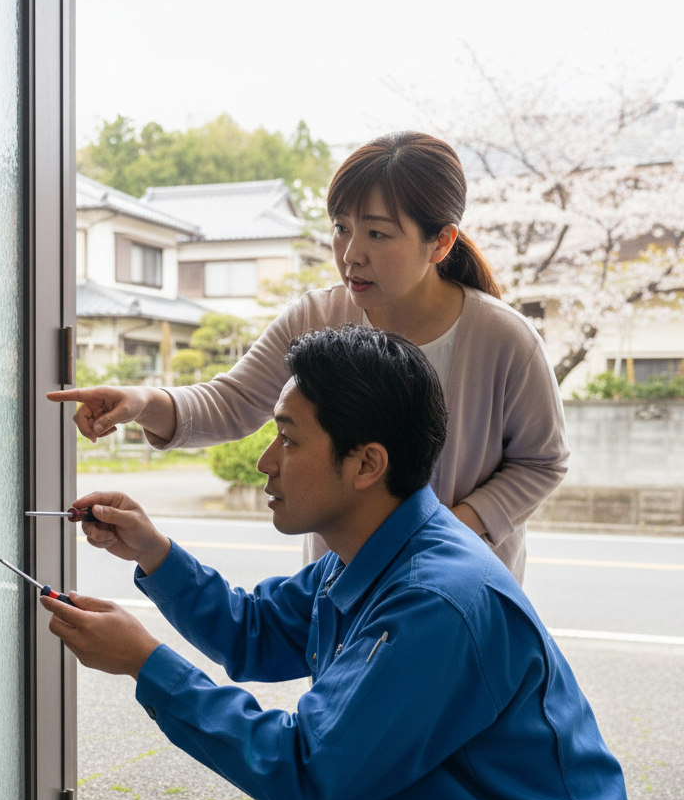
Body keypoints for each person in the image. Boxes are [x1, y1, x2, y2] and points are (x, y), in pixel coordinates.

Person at [41, 327, 653, 800]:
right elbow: (255, 632)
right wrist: (154, 551)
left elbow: (308, 774)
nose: (266, 461)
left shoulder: (438, 602)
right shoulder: (371, 551)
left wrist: (146, 663)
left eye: (289, 439)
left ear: (365, 464)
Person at [49, 131, 569, 583]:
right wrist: (141, 400)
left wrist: (448, 527)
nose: (350, 253)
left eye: (377, 233)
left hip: (463, 590)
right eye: (341, 227)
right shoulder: (317, 315)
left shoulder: (505, 339)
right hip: (346, 585)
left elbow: (542, 463)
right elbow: (233, 401)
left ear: (440, 242)